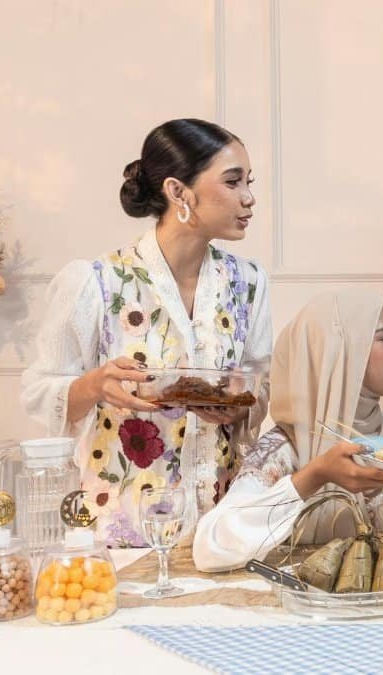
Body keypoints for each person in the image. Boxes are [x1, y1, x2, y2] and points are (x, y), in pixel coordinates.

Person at [22, 119, 272, 546]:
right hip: (121, 528)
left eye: (248, 182)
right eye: (232, 182)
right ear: (178, 192)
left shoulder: (248, 283)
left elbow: (259, 383)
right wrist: (95, 385)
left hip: (218, 528)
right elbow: (38, 392)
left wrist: (240, 403)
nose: (249, 198)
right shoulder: (95, 282)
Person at [194, 290, 383, 571]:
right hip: (304, 611)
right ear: (339, 352)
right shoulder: (284, 450)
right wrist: (314, 475)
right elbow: (209, 549)